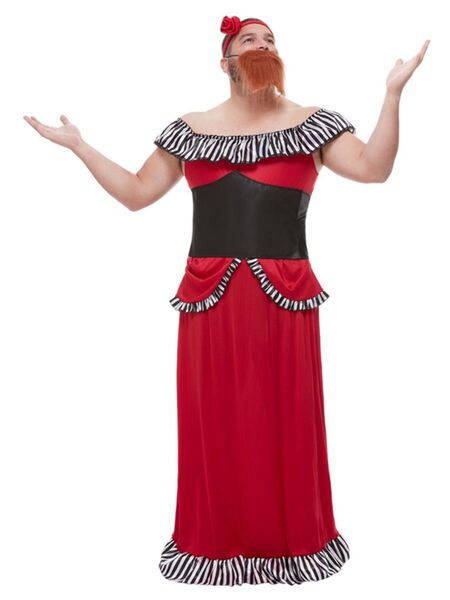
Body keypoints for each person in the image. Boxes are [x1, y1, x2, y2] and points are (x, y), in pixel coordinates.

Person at [23, 15, 430, 587]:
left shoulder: (312, 123)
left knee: (285, 417)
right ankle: (218, 541)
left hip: (284, 298)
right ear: (226, 61)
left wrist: (391, 95)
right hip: (210, 298)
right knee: (214, 420)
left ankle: (288, 543)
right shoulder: (191, 130)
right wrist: (80, 147)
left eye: (271, 40)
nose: (263, 45)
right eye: (249, 39)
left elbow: (374, 169)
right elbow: (137, 193)